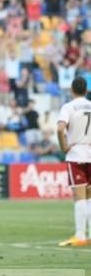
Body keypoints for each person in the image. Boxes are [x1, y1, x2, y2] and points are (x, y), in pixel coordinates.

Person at [56, 77, 91, 246]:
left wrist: (64, 146)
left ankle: (80, 235)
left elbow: (60, 128)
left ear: (72, 91)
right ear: (86, 91)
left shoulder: (68, 107)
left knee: (79, 196)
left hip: (76, 154)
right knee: (90, 196)